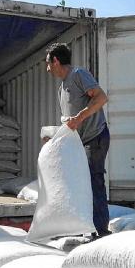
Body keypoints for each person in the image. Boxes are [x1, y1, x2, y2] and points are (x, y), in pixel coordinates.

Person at [45, 43, 110, 237]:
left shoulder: (78, 74)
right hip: (80, 142)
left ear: (55, 60)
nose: (47, 69)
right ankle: (85, 227)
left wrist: (80, 117)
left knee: (93, 180)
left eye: (48, 64)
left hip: (95, 137)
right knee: (78, 182)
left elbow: (101, 98)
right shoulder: (62, 89)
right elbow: (69, 121)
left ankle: (101, 231)